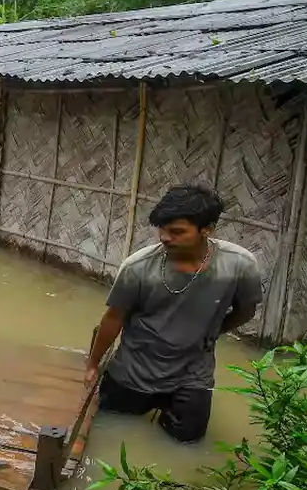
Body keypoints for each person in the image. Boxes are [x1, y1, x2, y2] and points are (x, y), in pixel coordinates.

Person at [84, 184, 263, 443]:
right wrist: (92, 364)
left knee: (187, 443)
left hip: (193, 374)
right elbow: (114, 318)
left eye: (177, 231)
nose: (165, 238)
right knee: (108, 431)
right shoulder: (138, 267)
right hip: (134, 368)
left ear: (207, 229)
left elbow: (246, 310)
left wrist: (213, 331)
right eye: (162, 229)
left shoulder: (239, 266)